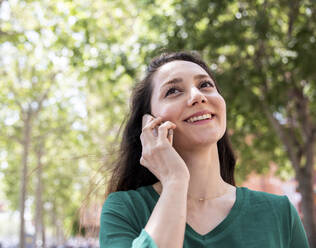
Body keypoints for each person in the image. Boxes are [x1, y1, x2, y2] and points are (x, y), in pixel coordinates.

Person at [99, 51, 309, 248]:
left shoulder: (280, 213)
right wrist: (175, 180)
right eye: (173, 91)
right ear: (149, 124)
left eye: (206, 85)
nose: (197, 96)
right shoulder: (124, 210)